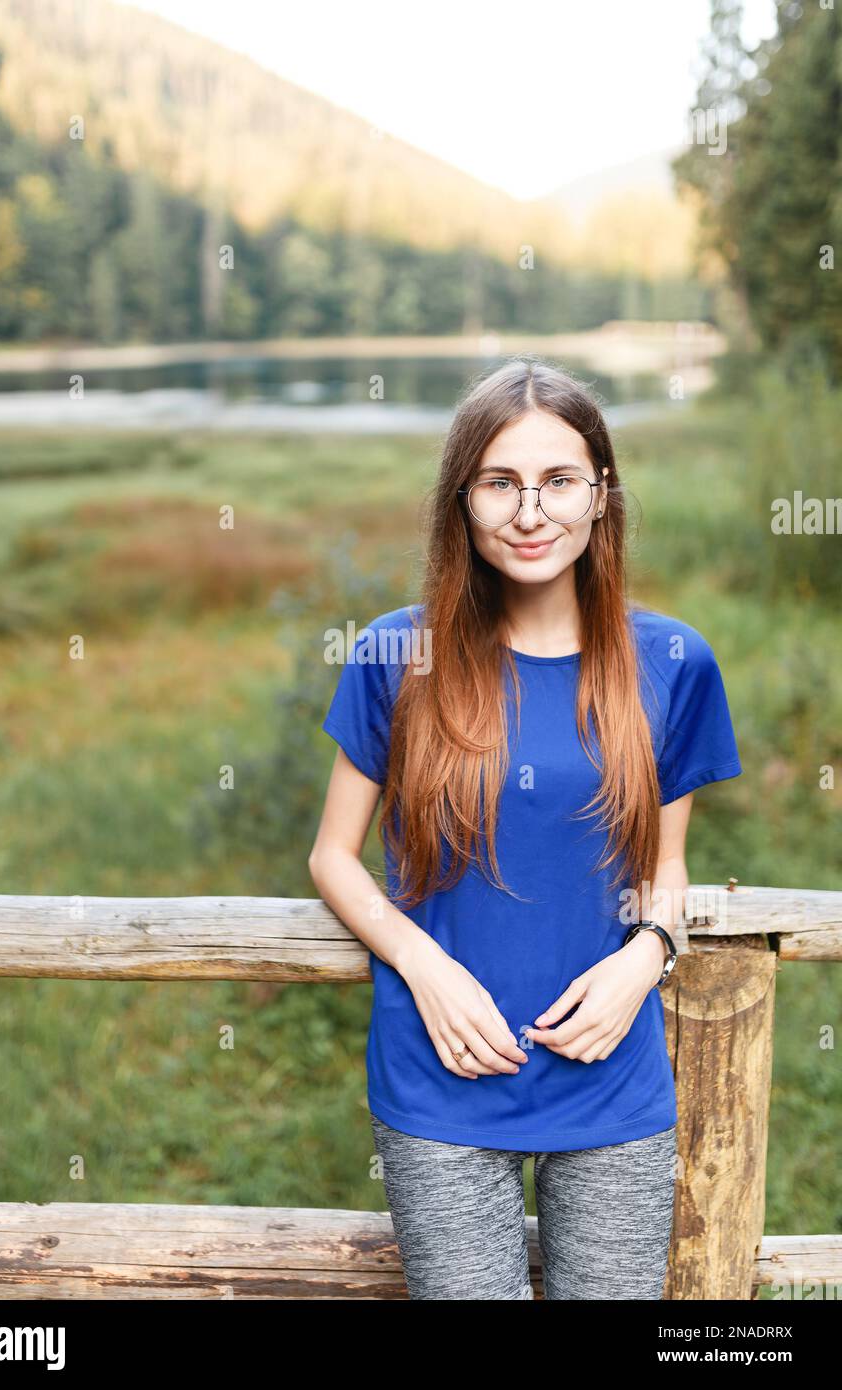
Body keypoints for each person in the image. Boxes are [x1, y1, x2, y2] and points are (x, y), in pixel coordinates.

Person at [307, 357, 743, 1300]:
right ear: (462, 501)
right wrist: (426, 969)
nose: (531, 511)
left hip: (612, 1070)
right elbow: (332, 856)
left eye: (559, 481)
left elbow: (667, 869)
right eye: (500, 483)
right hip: (442, 1071)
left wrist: (643, 961)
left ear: (601, 496)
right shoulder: (396, 652)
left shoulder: (672, 661)